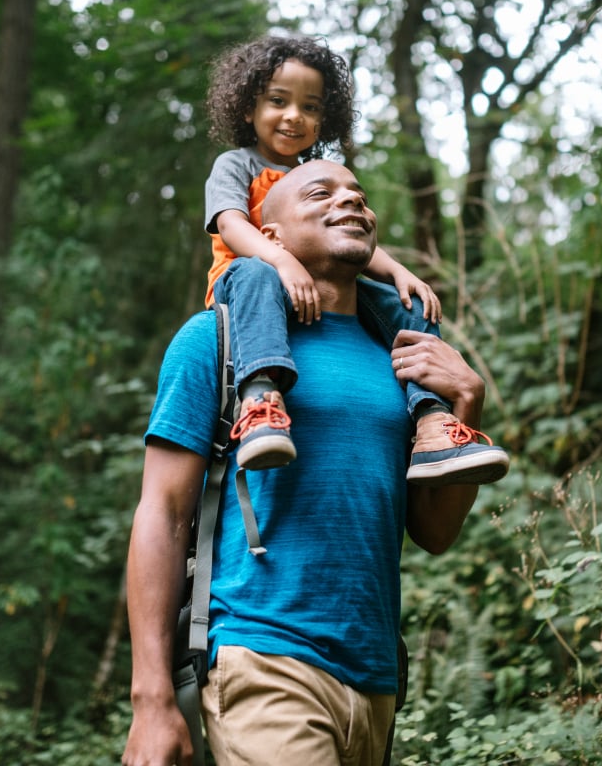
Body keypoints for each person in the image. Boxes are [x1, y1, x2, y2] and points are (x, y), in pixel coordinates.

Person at [122, 160, 503, 766]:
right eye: (321, 192)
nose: (352, 201)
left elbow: (434, 533)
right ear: (269, 237)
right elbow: (162, 513)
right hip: (260, 656)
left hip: (377, 680)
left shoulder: (403, 357)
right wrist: (151, 698)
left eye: (359, 194)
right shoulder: (215, 340)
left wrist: (467, 402)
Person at [203, 34, 509, 485]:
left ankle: (432, 422)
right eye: (278, 101)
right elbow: (231, 225)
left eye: (310, 107)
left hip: (318, 290)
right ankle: (261, 401)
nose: (294, 116)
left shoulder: (317, 173)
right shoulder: (237, 165)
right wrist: (281, 261)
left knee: (407, 305)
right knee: (253, 271)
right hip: (250, 289)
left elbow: (348, 238)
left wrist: (399, 272)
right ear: (248, 108)